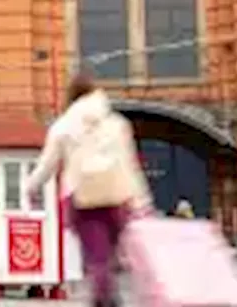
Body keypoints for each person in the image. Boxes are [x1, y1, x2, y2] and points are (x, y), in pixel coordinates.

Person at [25, 71, 152, 307]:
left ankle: (104, 297)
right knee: (109, 253)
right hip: (117, 195)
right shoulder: (117, 124)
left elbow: (47, 164)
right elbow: (130, 164)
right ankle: (106, 293)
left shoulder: (63, 125)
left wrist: (30, 187)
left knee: (96, 254)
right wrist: (142, 201)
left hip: (83, 196)